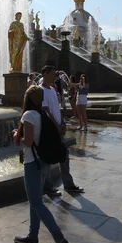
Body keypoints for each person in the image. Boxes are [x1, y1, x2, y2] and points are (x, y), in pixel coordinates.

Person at [12, 86, 70, 243]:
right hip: (44, 163)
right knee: (35, 201)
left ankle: (60, 239)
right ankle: (32, 236)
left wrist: (16, 135)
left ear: (27, 98)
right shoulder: (41, 114)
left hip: (33, 164)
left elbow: (28, 141)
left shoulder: (28, 115)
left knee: (36, 202)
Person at [39, 65, 84, 196]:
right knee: (48, 159)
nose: (55, 77)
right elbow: (46, 111)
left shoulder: (52, 89)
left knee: (64, 156)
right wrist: (57, 126)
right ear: (46, 74)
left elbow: (56, 108)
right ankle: (47, 186)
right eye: (53, 74)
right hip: (50, 130)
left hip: (58, 127)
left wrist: (63, 122)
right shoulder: (40, 90)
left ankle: (68, 184)